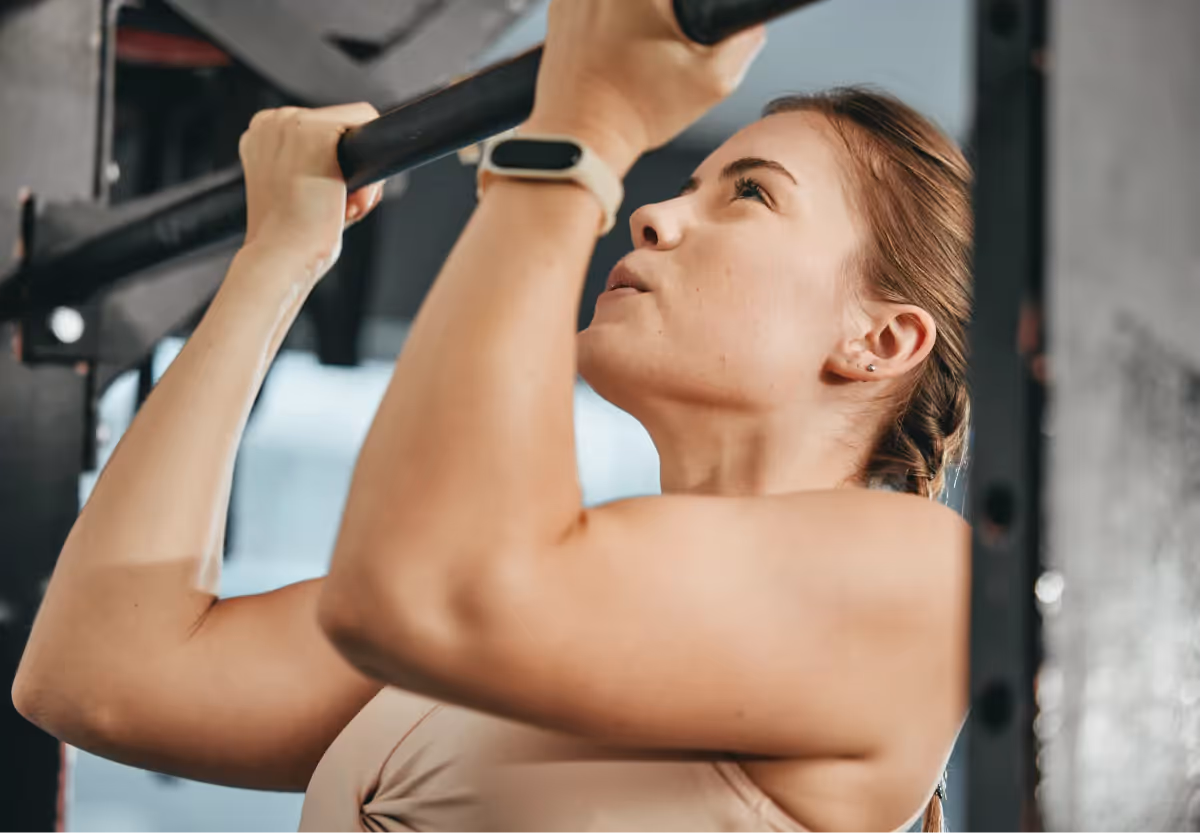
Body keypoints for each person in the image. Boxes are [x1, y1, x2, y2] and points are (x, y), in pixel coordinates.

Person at [13, 1, 971, 830]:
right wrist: (276, 261)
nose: (653, 217)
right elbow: (101, 673)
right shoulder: (565, 588)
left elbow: (430, 589)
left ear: (880, 342)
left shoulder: (921, 580)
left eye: (750, 193)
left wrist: (584, 129)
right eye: (683, 184)